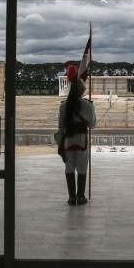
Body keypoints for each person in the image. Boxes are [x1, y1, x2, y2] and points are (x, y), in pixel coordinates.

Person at [56, 65, 96, 206]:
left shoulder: (63, 106)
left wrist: (60, 144)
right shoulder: (88, 105)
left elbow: (60, 127)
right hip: (82, 141)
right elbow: (92, 125)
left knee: (69, 168)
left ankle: (72, 198)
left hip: (68, 141)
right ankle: (81, 196)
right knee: (82, 168)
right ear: (81, 91)